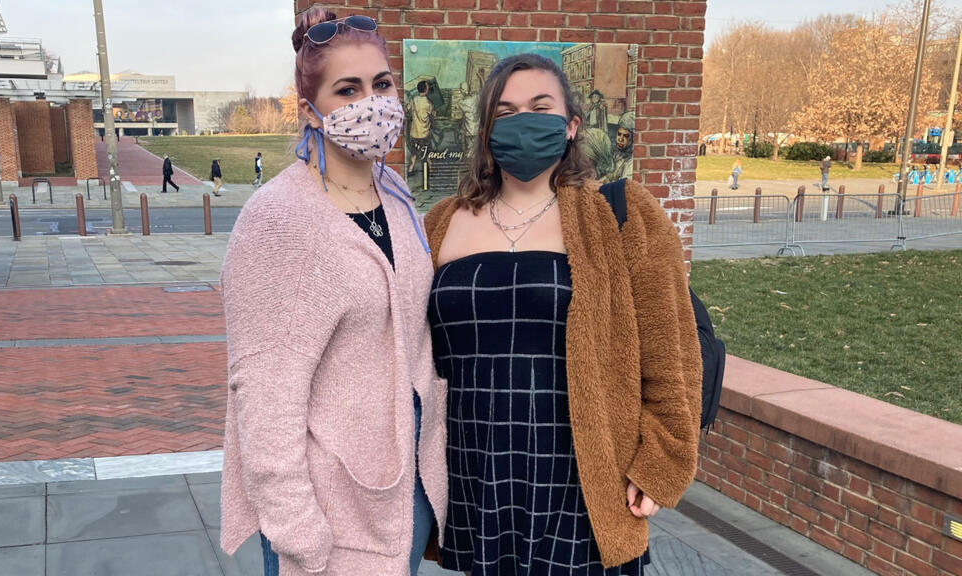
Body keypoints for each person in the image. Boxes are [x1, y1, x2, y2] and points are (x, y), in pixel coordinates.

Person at [424, 53, 701, 575]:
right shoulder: (441, 223)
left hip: (581, 484)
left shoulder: (621, 215)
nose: (522, 121)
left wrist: (662, 464)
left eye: (539, 106)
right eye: (504, 112)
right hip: (476, 481)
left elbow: (672, 352)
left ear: (571, 125)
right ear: (485, 130)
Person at [218, 8, 446, 576]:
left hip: (402, 491)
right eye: (348, 90)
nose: (373, 103)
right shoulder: (277, 220)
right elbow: (265, 393)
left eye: (382, 84)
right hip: (327, 510)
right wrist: (299, 531)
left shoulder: (393, 193)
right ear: (311, 112)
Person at [408, 80, 435, 175]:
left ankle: (410, 169)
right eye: (427, 87)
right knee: (427, 152)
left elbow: (408, 109)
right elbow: (433, 115)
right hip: (424, 133)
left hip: (414, 133)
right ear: (426, 89)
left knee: (413, 153)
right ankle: (430, 169)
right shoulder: (428, 103)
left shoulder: (413, 100)